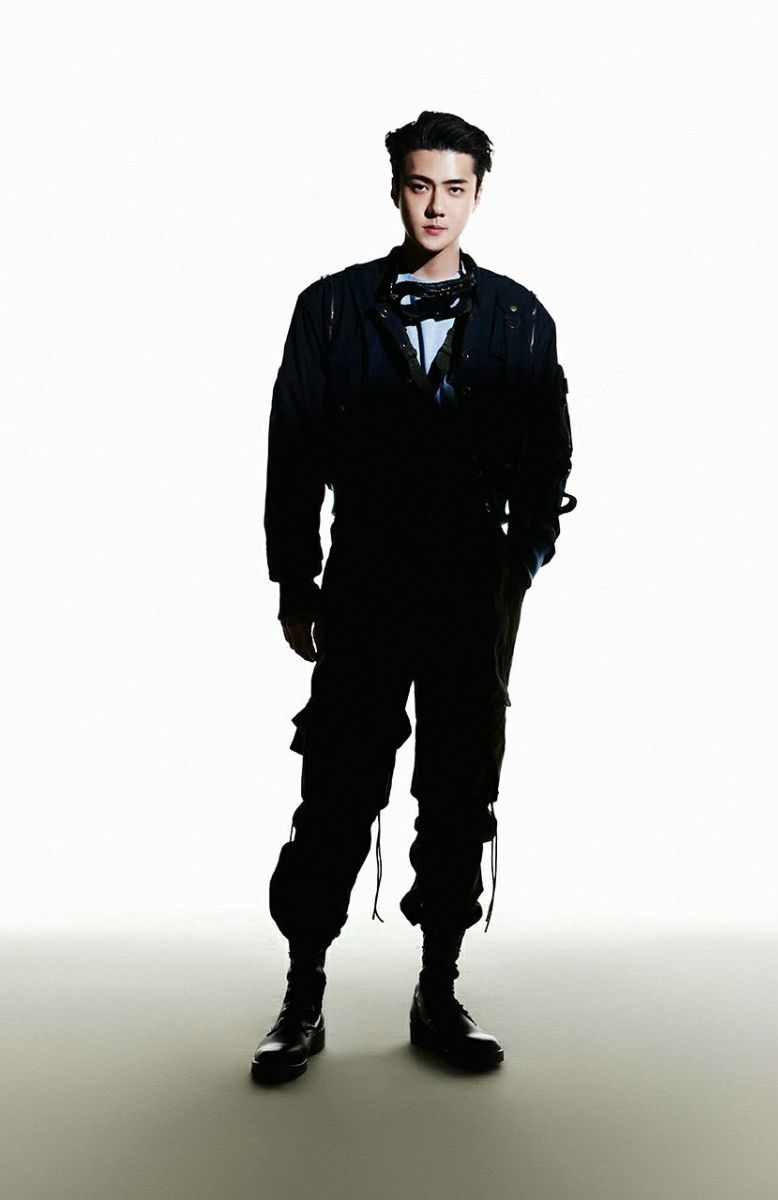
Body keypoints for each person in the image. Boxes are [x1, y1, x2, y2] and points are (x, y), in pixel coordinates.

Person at [251, 110, 576, 1084]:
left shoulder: (519, 317)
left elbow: (549, 456)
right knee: (338, 783)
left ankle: (438, 988)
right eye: (420, 185)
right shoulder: (331, 309)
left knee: (459, 787)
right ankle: (302, 993)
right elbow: (293, 450)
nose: (435, 206)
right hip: (365, 583)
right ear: (395, 187)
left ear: (478, 195)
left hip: (472, 590)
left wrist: (519, 564)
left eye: (454, 188)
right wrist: (295, 580)